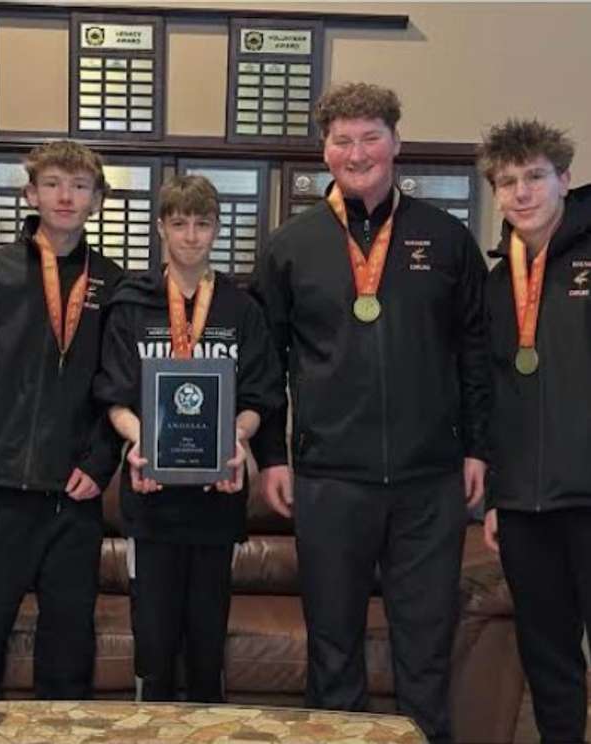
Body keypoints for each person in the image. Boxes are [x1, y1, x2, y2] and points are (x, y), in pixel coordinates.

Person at [249, 83, 490, 743]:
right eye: (342, 140)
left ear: (396, 143)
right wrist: (273, 455)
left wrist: (477, 449)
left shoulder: (445, 239)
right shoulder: (289, 245)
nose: (357, 153)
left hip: (430, 482)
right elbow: (265, 364)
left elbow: (475, 351)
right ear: (324, 151)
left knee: (425, 649)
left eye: (370, 137)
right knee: (333, 651)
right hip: (330, 480)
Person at [0, 140, 123, 700]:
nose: (66, 196)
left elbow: (119, 387)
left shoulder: (112, 283)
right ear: (31, 193)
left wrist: (99, 461)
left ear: (97, 199)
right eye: (53, 184)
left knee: (68, 658)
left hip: (73, 495)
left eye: (80, 186)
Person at [95, 174, 283, 702]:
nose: (192, 236)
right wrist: (139, 443)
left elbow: (260, 397)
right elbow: (114, 397)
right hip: (151, 501)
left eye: (203, 223)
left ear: (218, 229)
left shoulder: (241, 309)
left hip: (216, 500)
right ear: (161, 228)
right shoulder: (131, 304)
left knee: (205, 647)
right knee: (153, 646)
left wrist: (236, 441)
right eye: (179, 223)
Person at [480, 119, 591, 744]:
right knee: (549, 661)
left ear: (564, 180)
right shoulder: (498, 284)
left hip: (588, 493)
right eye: (508, 182)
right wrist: (498, 495)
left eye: (535, 178)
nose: (522, 193)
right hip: (524, 504)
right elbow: (493, 398)